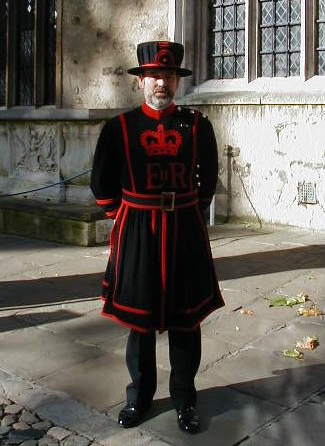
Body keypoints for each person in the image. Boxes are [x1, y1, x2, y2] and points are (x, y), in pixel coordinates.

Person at [90, 40, 225, 434]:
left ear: (177, 82)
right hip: (138, 233)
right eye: (154, 76)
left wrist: (186, 210)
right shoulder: (119, 128)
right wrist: (128, 216)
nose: (161, 83)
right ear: (141, 83)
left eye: (168, 76)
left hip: (185, 231)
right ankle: (140, 396)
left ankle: (185, 399)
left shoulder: (198, 126)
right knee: (140, 321)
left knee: (187, 321)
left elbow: (208, 181)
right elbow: (102, 184)